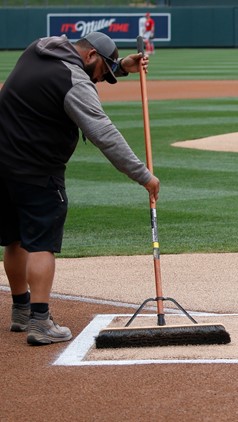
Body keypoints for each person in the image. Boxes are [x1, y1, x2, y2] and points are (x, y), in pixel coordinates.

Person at [0, 32, 160, 345]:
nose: (101, 79)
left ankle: (21, 311)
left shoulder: (38, 48)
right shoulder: (74, 81)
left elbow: (74, 74)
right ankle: (40, 321)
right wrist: (144, 176)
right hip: (37, 169)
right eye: (103, 72)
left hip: (2, 163)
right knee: (40, 242)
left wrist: (122, 67)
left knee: (15, 238)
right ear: (89, 57)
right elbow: (105, 135)